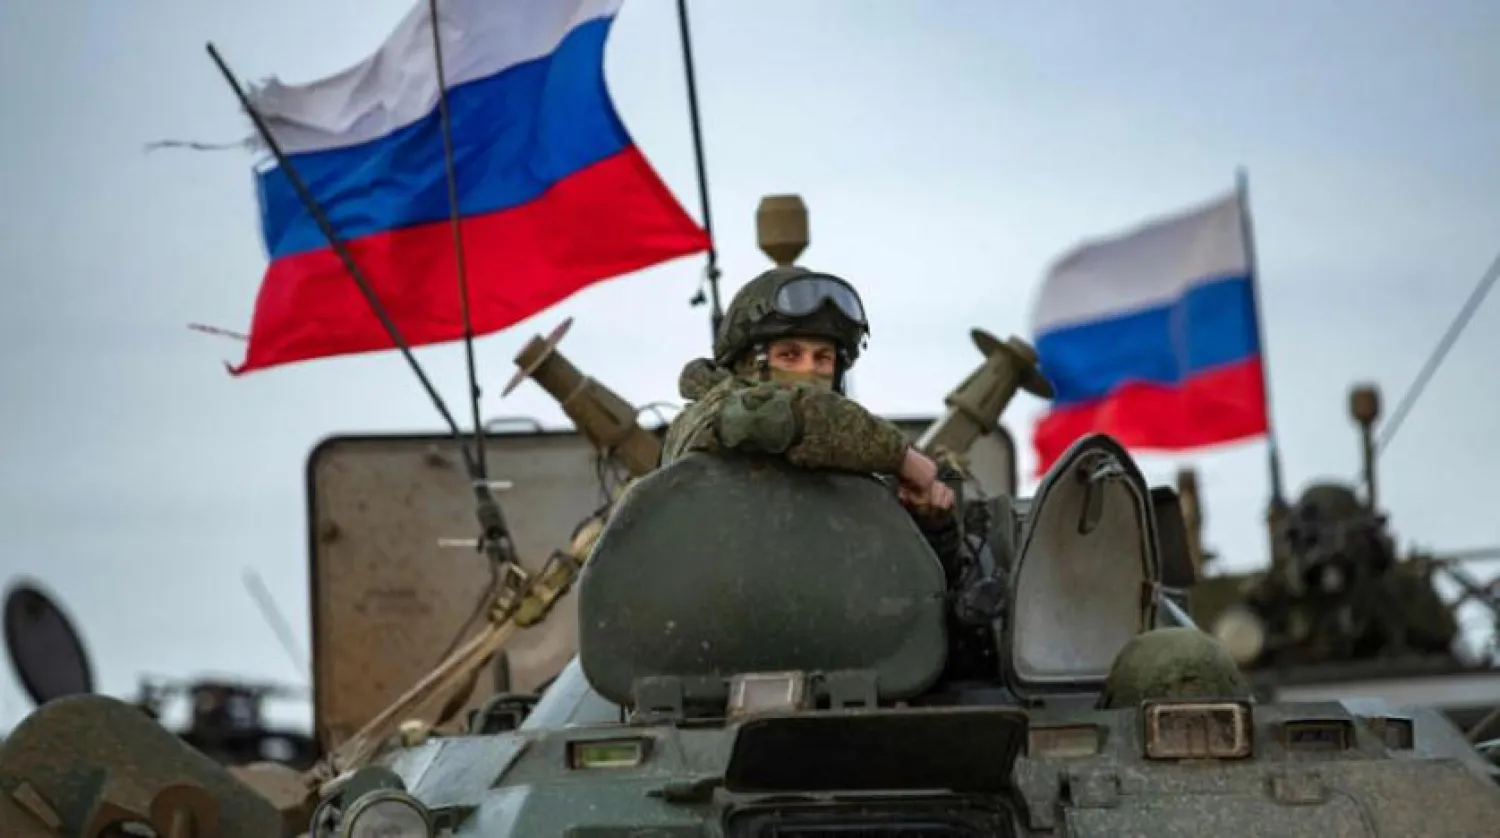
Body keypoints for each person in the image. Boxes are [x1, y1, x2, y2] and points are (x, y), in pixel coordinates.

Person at [660, 265, 966, 578]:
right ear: (747, 364)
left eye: (823, 358)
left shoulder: (850, 456)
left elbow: (912, 587)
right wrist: (902, 456)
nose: (810, 370)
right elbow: (778, 416)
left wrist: (931, 523)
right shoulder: (712, 414)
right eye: (789, 356)